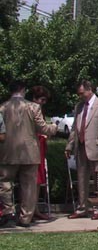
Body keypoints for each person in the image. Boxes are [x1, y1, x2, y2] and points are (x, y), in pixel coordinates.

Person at [0, 80, 57, 227]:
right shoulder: (33, 107)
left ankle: (8, 211)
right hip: (29, 152)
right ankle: (25, 217)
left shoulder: (3, 107)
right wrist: (54, 127)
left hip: (8, 151)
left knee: (5, 182)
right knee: (29, 187)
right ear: (23, 90)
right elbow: (42, 128)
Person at [64, 80, 98, 220]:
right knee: (82, 180)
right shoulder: (79, 106)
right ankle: (82, 208)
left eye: (82, 93)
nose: (80, 96)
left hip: (97, 149)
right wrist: (69, 146)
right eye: (78, 94)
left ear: (90, 89)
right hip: (80, 149)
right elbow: (75, 128)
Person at [30, 85, 52, 221]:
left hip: (40, 146)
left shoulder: (38, 110)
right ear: (35, 98)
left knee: (37, 180)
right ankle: (31, 210)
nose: (43, 103)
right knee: (33, 180)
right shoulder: (32, 109)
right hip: (34, 146)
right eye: (42, 100)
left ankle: (35, 208)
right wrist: (51, 129)